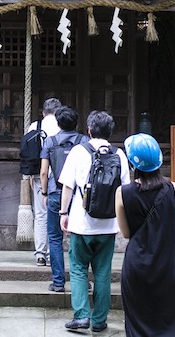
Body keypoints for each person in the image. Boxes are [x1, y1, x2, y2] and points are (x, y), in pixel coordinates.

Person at [58, 110, 130, 334]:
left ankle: (81, 317)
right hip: (108, 225)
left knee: (78, 269)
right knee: (102, 272)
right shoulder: (120, 155)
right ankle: (99, 320)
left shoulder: (79, 152)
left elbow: (68, 186)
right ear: (110, 131)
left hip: (82, 223)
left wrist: (63, 213)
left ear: (89, 130)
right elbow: (125, 191)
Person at [116, 133, 175, 337]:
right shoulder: (173, 189)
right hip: (167, 266)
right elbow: (171, 224)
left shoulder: (123, 192)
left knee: (138, 324)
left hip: (137, 266)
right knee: (168, 322)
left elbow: (127, 233)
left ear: (132, 163)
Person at [39, 105, 88, 293]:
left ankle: (58, 281)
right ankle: (82, 280)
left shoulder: (50, 142)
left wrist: (44, 192)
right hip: (79, 195)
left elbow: (44, 172)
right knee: (81, 237)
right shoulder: (83, 141)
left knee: (54, 238)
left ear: (58, 123)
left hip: (55, 192)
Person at [26, 97, 62, 266]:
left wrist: (29, 176)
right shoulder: (62, 127)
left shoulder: (34, 126)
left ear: (43, 112)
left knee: (40, 214)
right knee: (58, 214)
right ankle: (54, 251)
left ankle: (40, 253)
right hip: (60, 176)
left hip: (40, 174)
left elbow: (27, 153)